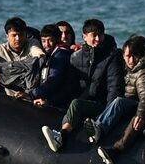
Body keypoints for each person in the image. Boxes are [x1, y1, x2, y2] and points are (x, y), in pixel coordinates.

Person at [42, 19, 120, 151]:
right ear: (84, 37)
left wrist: (108, 114)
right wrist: (49, 101)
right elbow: (69, 87)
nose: (97, 39)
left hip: (102, 105)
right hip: (83, 101)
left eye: (100, 35)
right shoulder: (76, 57)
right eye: (93, 35)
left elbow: (114, 86)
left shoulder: (112, 56)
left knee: (76, 104)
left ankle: (61, 136)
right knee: (74, 103)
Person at [93, 35, 145, 164]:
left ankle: (99, 129)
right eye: (127, 56)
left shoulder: (141, 72)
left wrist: (140, 114)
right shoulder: (127, 66)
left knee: (119, 102)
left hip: (137, 104)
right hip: (129, 100)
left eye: (134, 56)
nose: (130, 60)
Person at [0, 17, 42, 97]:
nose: (18, 38)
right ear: (7, 36)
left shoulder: (32, 43)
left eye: (20, 35)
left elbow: (37, 51)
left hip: (31, 94)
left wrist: (39, 55)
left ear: (25, 34)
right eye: (14, 35)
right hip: (11, 96)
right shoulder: (1, 48)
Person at [28, 24, 76, 113]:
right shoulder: (52, 54)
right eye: (43, 41)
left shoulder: (61, 55)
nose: (47, 44)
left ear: (57, 39)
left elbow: (53, 81)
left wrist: (31, 94)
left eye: (50, 40)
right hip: (55, 100)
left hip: (61, 104)